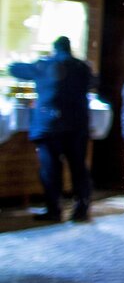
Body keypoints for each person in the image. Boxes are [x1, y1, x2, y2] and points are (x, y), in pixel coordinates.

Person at [7, 36, 94, 223]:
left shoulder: (44, 65)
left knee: (50, 170)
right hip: (76, 126)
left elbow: (14, 69)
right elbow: (94, 83)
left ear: (55, 49)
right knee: (78, 168)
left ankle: (54, 209)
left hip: (49, 126)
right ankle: (82, 209)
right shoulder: (82, 67)